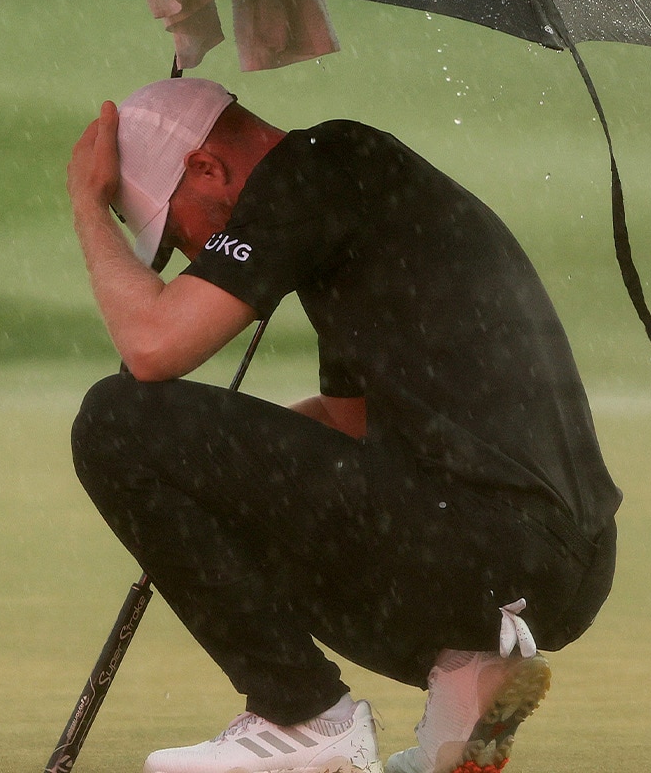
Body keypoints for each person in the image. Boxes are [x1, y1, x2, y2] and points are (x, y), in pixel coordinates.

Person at [67, 78, 621, 773]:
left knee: (116, 424)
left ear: (206, 168)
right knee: (182, 457)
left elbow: (151, 348)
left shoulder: (313, 167)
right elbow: (347, 429)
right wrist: (206, 485)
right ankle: (469, 677)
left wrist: (90, 207)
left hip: (490, 544)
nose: (189, 256)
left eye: (176, 230)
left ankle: (300, 716)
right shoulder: (365, 199)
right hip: (547, 567)